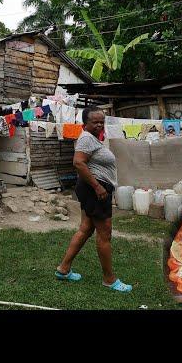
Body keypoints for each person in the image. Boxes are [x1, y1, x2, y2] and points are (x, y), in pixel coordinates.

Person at [56, 106, 132, 292]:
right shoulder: (86, 139)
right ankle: (109, 279)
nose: (99, 125)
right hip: (96, 190)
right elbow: (78, 162)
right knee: (104, 234)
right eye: (95, 122)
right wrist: (98, 187)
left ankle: (63, 269)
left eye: (102, 121)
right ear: (85, 124)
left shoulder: (92, 139)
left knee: (86, 228)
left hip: (94, 189)